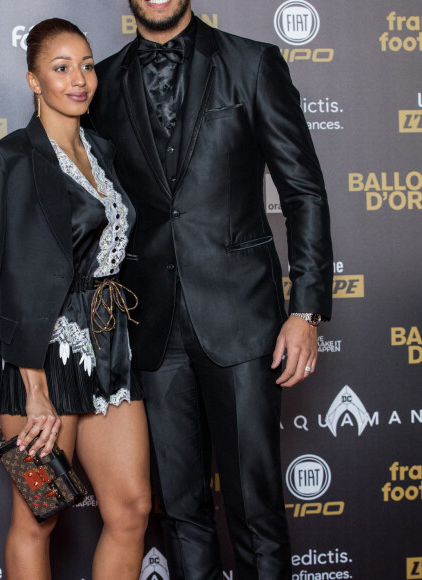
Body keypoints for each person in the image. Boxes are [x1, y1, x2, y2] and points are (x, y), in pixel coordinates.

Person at [89, 2, 333, 579]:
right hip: (151, 328)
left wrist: (306, 309)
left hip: (244, 321)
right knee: (180, 513)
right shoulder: (103, 81)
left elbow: (304, 192)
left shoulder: (252, 63)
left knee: (255, 508)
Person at [0, 18, 151, 580]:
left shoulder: (105, 152)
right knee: (39, 517)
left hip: (109, 343)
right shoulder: (5, 159)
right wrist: (31, 388)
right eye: (61, 68)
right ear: (33, 81)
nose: (79, 79)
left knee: (131, 510)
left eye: (87, 65)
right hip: (40, 357)